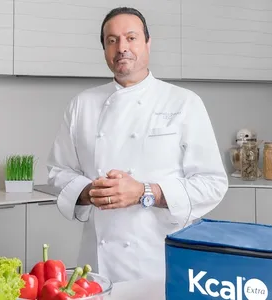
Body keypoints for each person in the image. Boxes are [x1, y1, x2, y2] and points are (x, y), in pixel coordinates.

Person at [47, 7, 228, 283]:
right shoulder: (81, 105)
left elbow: (213, 183)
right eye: (112, 40)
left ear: (147, 43)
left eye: (131, 38)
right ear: (105, 49)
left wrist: (145, 192)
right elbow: (58, 173)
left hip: (160, 261)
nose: (122, 48)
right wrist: (91, 191)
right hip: (97, 266)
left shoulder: (183, 102)